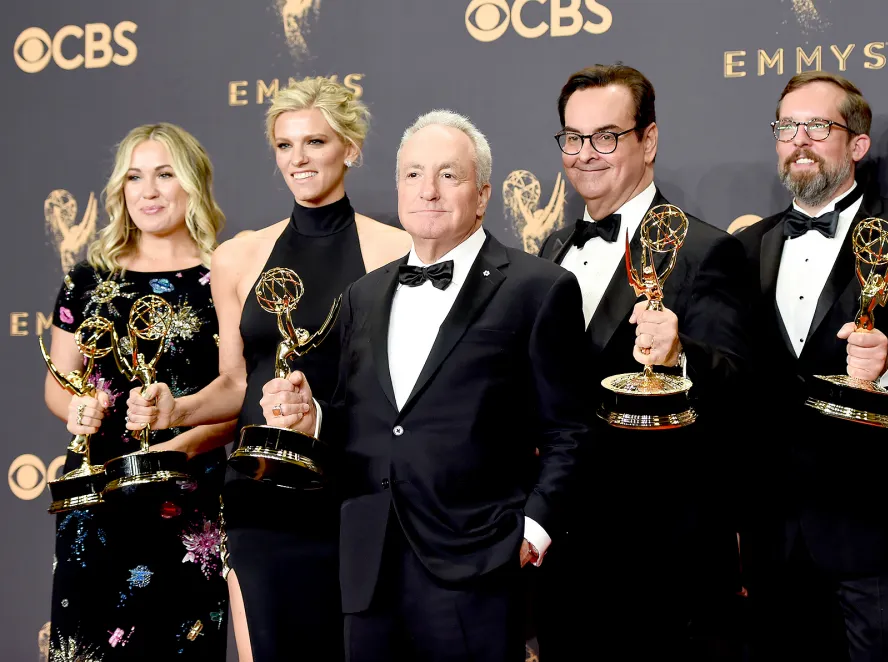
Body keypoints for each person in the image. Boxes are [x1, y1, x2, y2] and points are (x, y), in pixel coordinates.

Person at [257, 109, 591, 662]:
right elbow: (361, 417)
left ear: (482, 195)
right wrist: (309, 419)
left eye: (448, 175)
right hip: (369, 565)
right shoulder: (363, 295)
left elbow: (569, 431)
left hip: (476, 562)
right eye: (413, 174)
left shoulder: (538, 288)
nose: (428, 191)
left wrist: (532, 532)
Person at [125, 78, 410, 661]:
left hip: (358, 492)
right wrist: (176, 410)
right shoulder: (238, 257)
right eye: (285, 145)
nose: (298, 160)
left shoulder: (399, 251)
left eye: (315, 143)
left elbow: (407, 392)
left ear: (350, 149)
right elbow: (236, 383)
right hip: (261, 499)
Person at [737, 71, 888, 661]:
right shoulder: (744, 250)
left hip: (880, 547)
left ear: (858, 144)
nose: (799, 139)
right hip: (772, 545)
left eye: (818, 126)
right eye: (787, 126)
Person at [534, 63, 751, 660]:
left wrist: (682, 355)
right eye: (573, 139)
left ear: (648, 140)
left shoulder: (706, 249)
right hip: (562, 549)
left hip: (662, 558)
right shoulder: (551, 249)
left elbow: (739, 387)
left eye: (606, 136)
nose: (585, 154)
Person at [44, 122, 231, 660]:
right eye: (134, 177)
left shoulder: (222, 276)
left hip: (188, 494)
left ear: (192, 183)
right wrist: (78, 408)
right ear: (120, 190)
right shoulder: (86, 281)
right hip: (96, 498)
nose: (148, 191)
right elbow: (59, 387)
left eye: (165, 175)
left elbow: (237, 392)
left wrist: (182, 447)